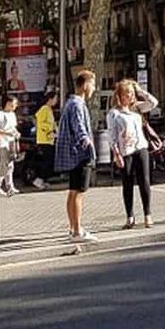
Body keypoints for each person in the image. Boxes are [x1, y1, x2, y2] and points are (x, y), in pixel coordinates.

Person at [107, 78, 159, 229]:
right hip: (126, 151)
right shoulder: (114, 113)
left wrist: (140, 90)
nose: (130, 96)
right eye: (127, 93)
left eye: (131, 93)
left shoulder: (137, 108)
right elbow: (112, 135)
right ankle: (130, 216)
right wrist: (116, 153)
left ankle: (147, 215)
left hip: (141, 147)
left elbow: (153, 103)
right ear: (120, 95)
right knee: (128, 183)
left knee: (145, 181)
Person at [55, 69, 98, 242]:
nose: (94, 88)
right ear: (86, 84)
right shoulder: (78, 104)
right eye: (93, 84)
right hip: (79, 155)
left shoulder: (70, 103)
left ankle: (73, 228)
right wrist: (86, 140)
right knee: (79, 192)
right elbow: (79, 126)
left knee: (73, 192)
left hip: (71, 155)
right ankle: (78, 231)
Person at [0, 94, 20, 196]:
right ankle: (1, 186)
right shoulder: (0, 115)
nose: (15, 106)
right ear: (8, 103)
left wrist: (16, 133)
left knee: (9, 165)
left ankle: (6, 186)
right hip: (2, 143)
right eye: (14, 103)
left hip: (11, 143)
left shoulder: (12, 115)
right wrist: (7, 133)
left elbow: (13, 128)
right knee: (6, 164)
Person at [32, 90, 57, 190]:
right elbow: (40, 123)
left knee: (50, 160)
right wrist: (49, 130)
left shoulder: (49, 110)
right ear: (50, 99)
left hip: (49, 139)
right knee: (47, 161)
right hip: (44, 139)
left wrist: (56, 129)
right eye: (55, 99)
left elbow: (52, 123)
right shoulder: (44, 109)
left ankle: (44, 179)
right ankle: (39, 179)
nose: (56, 101)